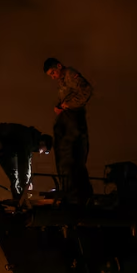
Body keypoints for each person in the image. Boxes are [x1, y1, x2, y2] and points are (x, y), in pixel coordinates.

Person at [43, 57, 93, 203]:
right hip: (67, 117)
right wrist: (60, 106)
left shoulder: (70, 74)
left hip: (74, 118)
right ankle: (70, 190)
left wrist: (68, 105)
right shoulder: (63, 80)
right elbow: (69, 95)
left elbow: (86, 90)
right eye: (50, 75)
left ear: (59, 66)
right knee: (64, 155)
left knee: (71, 154)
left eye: (53, 73)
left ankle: (76, 193)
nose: (53, 77)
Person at [0, 123, 53, 203]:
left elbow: (20, 165)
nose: (42, 153)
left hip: (3, 148)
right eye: (45, 151)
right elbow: (24, 165)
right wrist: (26, 186)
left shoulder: (29, 139)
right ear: (43, 143)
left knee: (13, 174)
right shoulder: (28, 140)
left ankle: (18, 198)